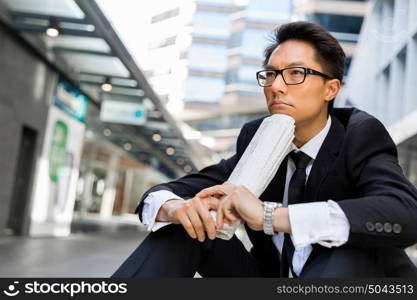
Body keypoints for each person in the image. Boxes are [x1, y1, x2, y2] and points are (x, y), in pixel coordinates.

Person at [112, 21, 417, 278]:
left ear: (331, 89)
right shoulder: (259, 137)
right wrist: (176, 208)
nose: (277, 86)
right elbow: (180, 188)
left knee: (342, 241)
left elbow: (405, 214)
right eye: (271, 74)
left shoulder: (358, 134)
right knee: (186, 225)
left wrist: (271, 216)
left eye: (296, 73)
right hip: (265, 278)